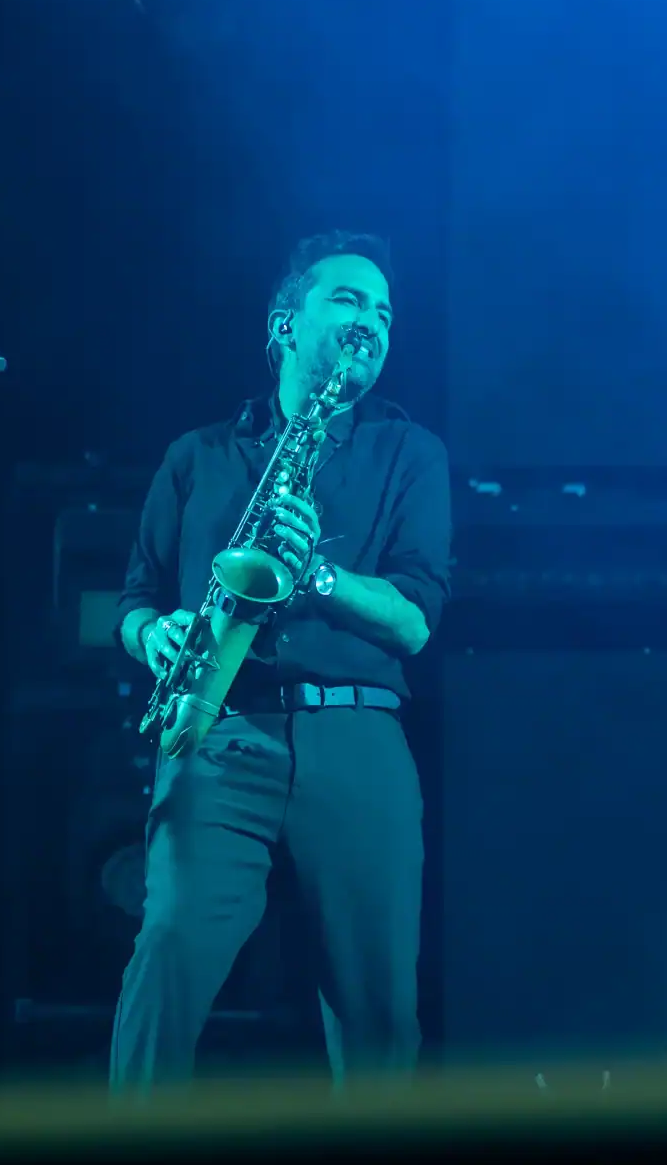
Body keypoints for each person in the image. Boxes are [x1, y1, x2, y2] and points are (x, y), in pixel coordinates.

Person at [109, 230, 452, 1091]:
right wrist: (151, 635)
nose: (372, 321)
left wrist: (320, 577)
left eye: (385, 311)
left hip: (358, 738)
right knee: (166, 957)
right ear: (285, 322)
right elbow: (134, 599)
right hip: (220, 733)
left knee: (379, 1012)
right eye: (348, 299)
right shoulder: (195, 457)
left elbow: (415, 621)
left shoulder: (410, 452)